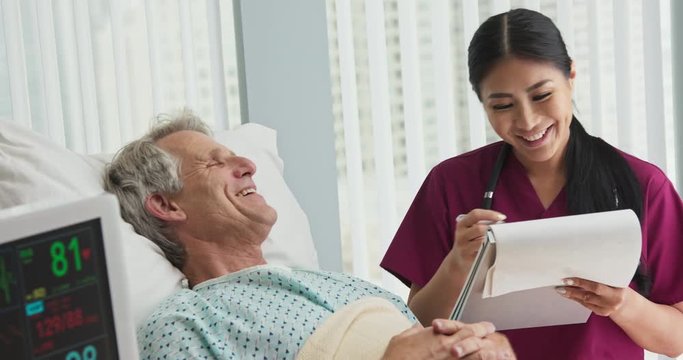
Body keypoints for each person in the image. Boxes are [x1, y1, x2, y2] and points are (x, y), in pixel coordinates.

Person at [381, 8, 683, 360]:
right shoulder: (450, 184)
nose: (527, 121)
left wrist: (623, 304)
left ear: (570, 76)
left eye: (541, 96)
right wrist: (457, 263)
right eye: (503, 105)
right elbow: (415, 326)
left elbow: (677, 339)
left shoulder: (643, 186)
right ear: (483, 104)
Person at [103, 111, 515, 359]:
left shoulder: (338, 286)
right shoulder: (184, 325)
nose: (247, 164)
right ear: (167, 205)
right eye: (214, 164)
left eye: (236, 156)